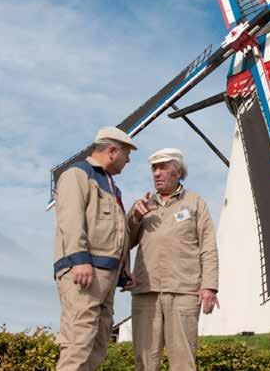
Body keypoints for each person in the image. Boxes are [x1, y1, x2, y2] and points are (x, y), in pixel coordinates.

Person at [53, 126, 137, 371]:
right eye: (127, 154)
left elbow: (114, 233)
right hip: (85, 273)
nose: (128, 160)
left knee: (97, 345)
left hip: (106, 277)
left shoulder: (112, 187)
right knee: (78, 342)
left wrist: (123, 272)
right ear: (112, 151)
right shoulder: (78, 175)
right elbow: (70, 219)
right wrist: (79, 260)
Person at [128, 148, 219, 371]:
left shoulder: (195, 203)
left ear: (178, 172)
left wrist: (209, 286)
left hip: (184, 291)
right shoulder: (143, 205)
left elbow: (208, 246)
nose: (156, 173)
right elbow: (124, 242)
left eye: (162, 168)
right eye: (153, 168)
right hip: (146, 292)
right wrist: (134, 219)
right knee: (144, 361)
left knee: (183, 363)